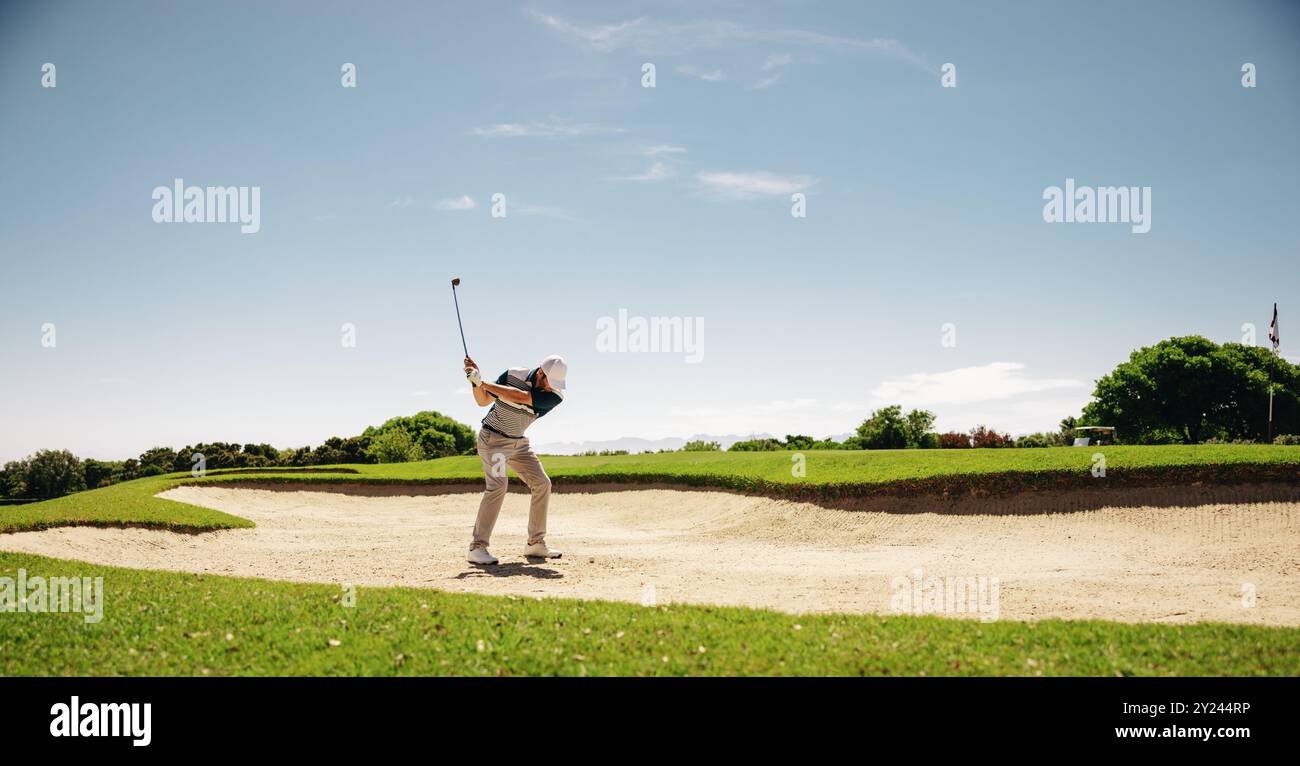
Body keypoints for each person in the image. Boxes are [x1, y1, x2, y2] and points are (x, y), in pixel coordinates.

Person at [462, 354, 567, 565]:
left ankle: (535, 543)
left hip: (519, 444)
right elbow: (483, 401)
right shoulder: (512, 374)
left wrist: (482, 382)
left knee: (542, 483)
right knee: (498, 486)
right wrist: (475, 382)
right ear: (540, 373)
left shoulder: (555, 396)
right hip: (494, 441)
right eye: (549, 382)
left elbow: (519, 397)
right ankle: (477, 547)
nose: (551, 387)